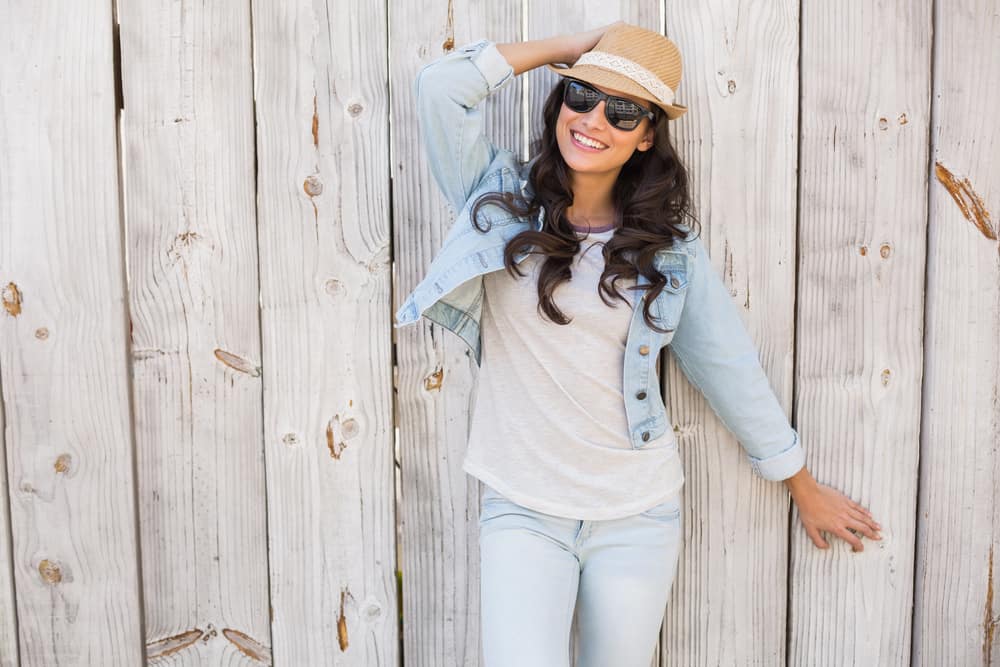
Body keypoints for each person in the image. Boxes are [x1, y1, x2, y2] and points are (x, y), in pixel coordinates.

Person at [394, 21, 883, 667]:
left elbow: (728, 367)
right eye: (581, 96)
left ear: (648, 134)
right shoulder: (498, 201)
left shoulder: (670, 253)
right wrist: (565, 50)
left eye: (623, 110)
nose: (594, 119)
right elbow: (440, 88)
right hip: (523, 506)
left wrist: (800, 481)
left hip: (637, 513)